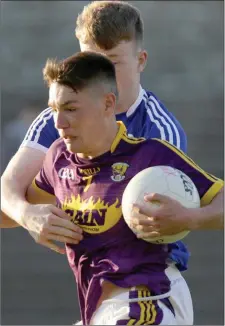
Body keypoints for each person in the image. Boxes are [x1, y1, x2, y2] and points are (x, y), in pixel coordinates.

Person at [25, 52, 224, 325]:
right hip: (98, 311)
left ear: (108, 104)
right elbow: (7, 212)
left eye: (70, 109)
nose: (58, 123)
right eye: (54, 109)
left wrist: (190, 218)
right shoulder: (58, 159)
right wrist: (27, 215)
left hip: (150, 301)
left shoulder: (150, 156)